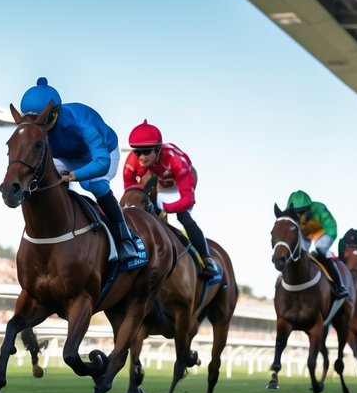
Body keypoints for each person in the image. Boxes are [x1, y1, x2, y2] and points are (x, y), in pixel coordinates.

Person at [19, 77, 145, 268]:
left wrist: (73, 176)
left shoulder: (82, 121)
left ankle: (125, 240)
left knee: (93, 184)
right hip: (64, 156)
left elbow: (102, 163)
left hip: (100, 154)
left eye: (43, 120)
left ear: (55, 114)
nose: (39, 125)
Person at [121, 120, 222, 284]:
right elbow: (130, 189)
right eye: (137, 151)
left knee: (182, 216)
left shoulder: (176, 161)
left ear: (158, 149)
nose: (141, 157)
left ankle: (208, 260)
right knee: (138, 205)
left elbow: (188, 200)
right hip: (157, 179)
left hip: (177, 182)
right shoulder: (135, 161)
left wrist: (164, 209)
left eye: (146, 152)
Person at [285, 189, 347, 300]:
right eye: (296, 213)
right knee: (300, 253)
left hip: (325, 229)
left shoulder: (319, 208)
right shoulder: (289, 211)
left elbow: (328, 230)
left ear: (309, 208)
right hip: (305, 230)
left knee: (320, 249)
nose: (299, 215)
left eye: (303, 212)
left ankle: (340, 286)